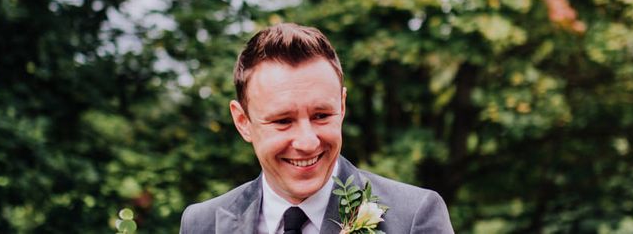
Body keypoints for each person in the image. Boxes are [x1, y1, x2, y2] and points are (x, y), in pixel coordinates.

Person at [179, 23, 454, 233]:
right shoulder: (201, 223)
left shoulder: (413, 217)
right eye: (283, 121)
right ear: (243, 122)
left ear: (342, 107)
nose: (308, 142)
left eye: (321, 115)